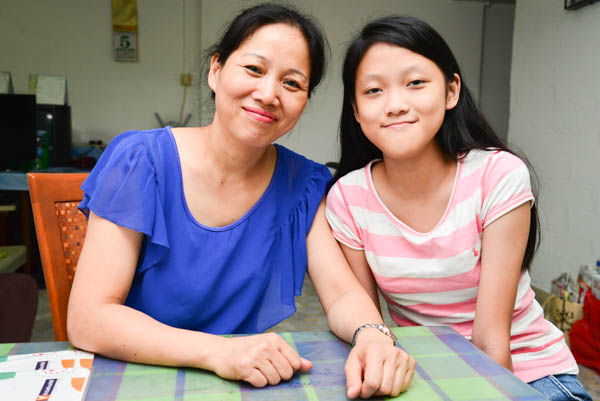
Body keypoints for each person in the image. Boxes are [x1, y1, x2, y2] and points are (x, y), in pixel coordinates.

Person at [67, 4, 414, 399]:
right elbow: (88, 318)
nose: (268, 94)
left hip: (235, 386)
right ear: (216, 70)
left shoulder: (303, 183)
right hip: (133, 377)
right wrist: (219, 351)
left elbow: (341, 293)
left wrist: (373, 336)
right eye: (254, 69)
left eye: (292, 83)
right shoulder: (141, 160)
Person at [325, 15, 592, 401]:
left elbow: (490, 341)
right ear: (355, 108)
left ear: (451, 92)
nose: (395, 105)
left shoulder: (497, 175)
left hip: (528, 374)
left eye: (415, 83)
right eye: (373, 91)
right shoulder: (348, 198)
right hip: (424, 375)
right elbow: (369, 324)